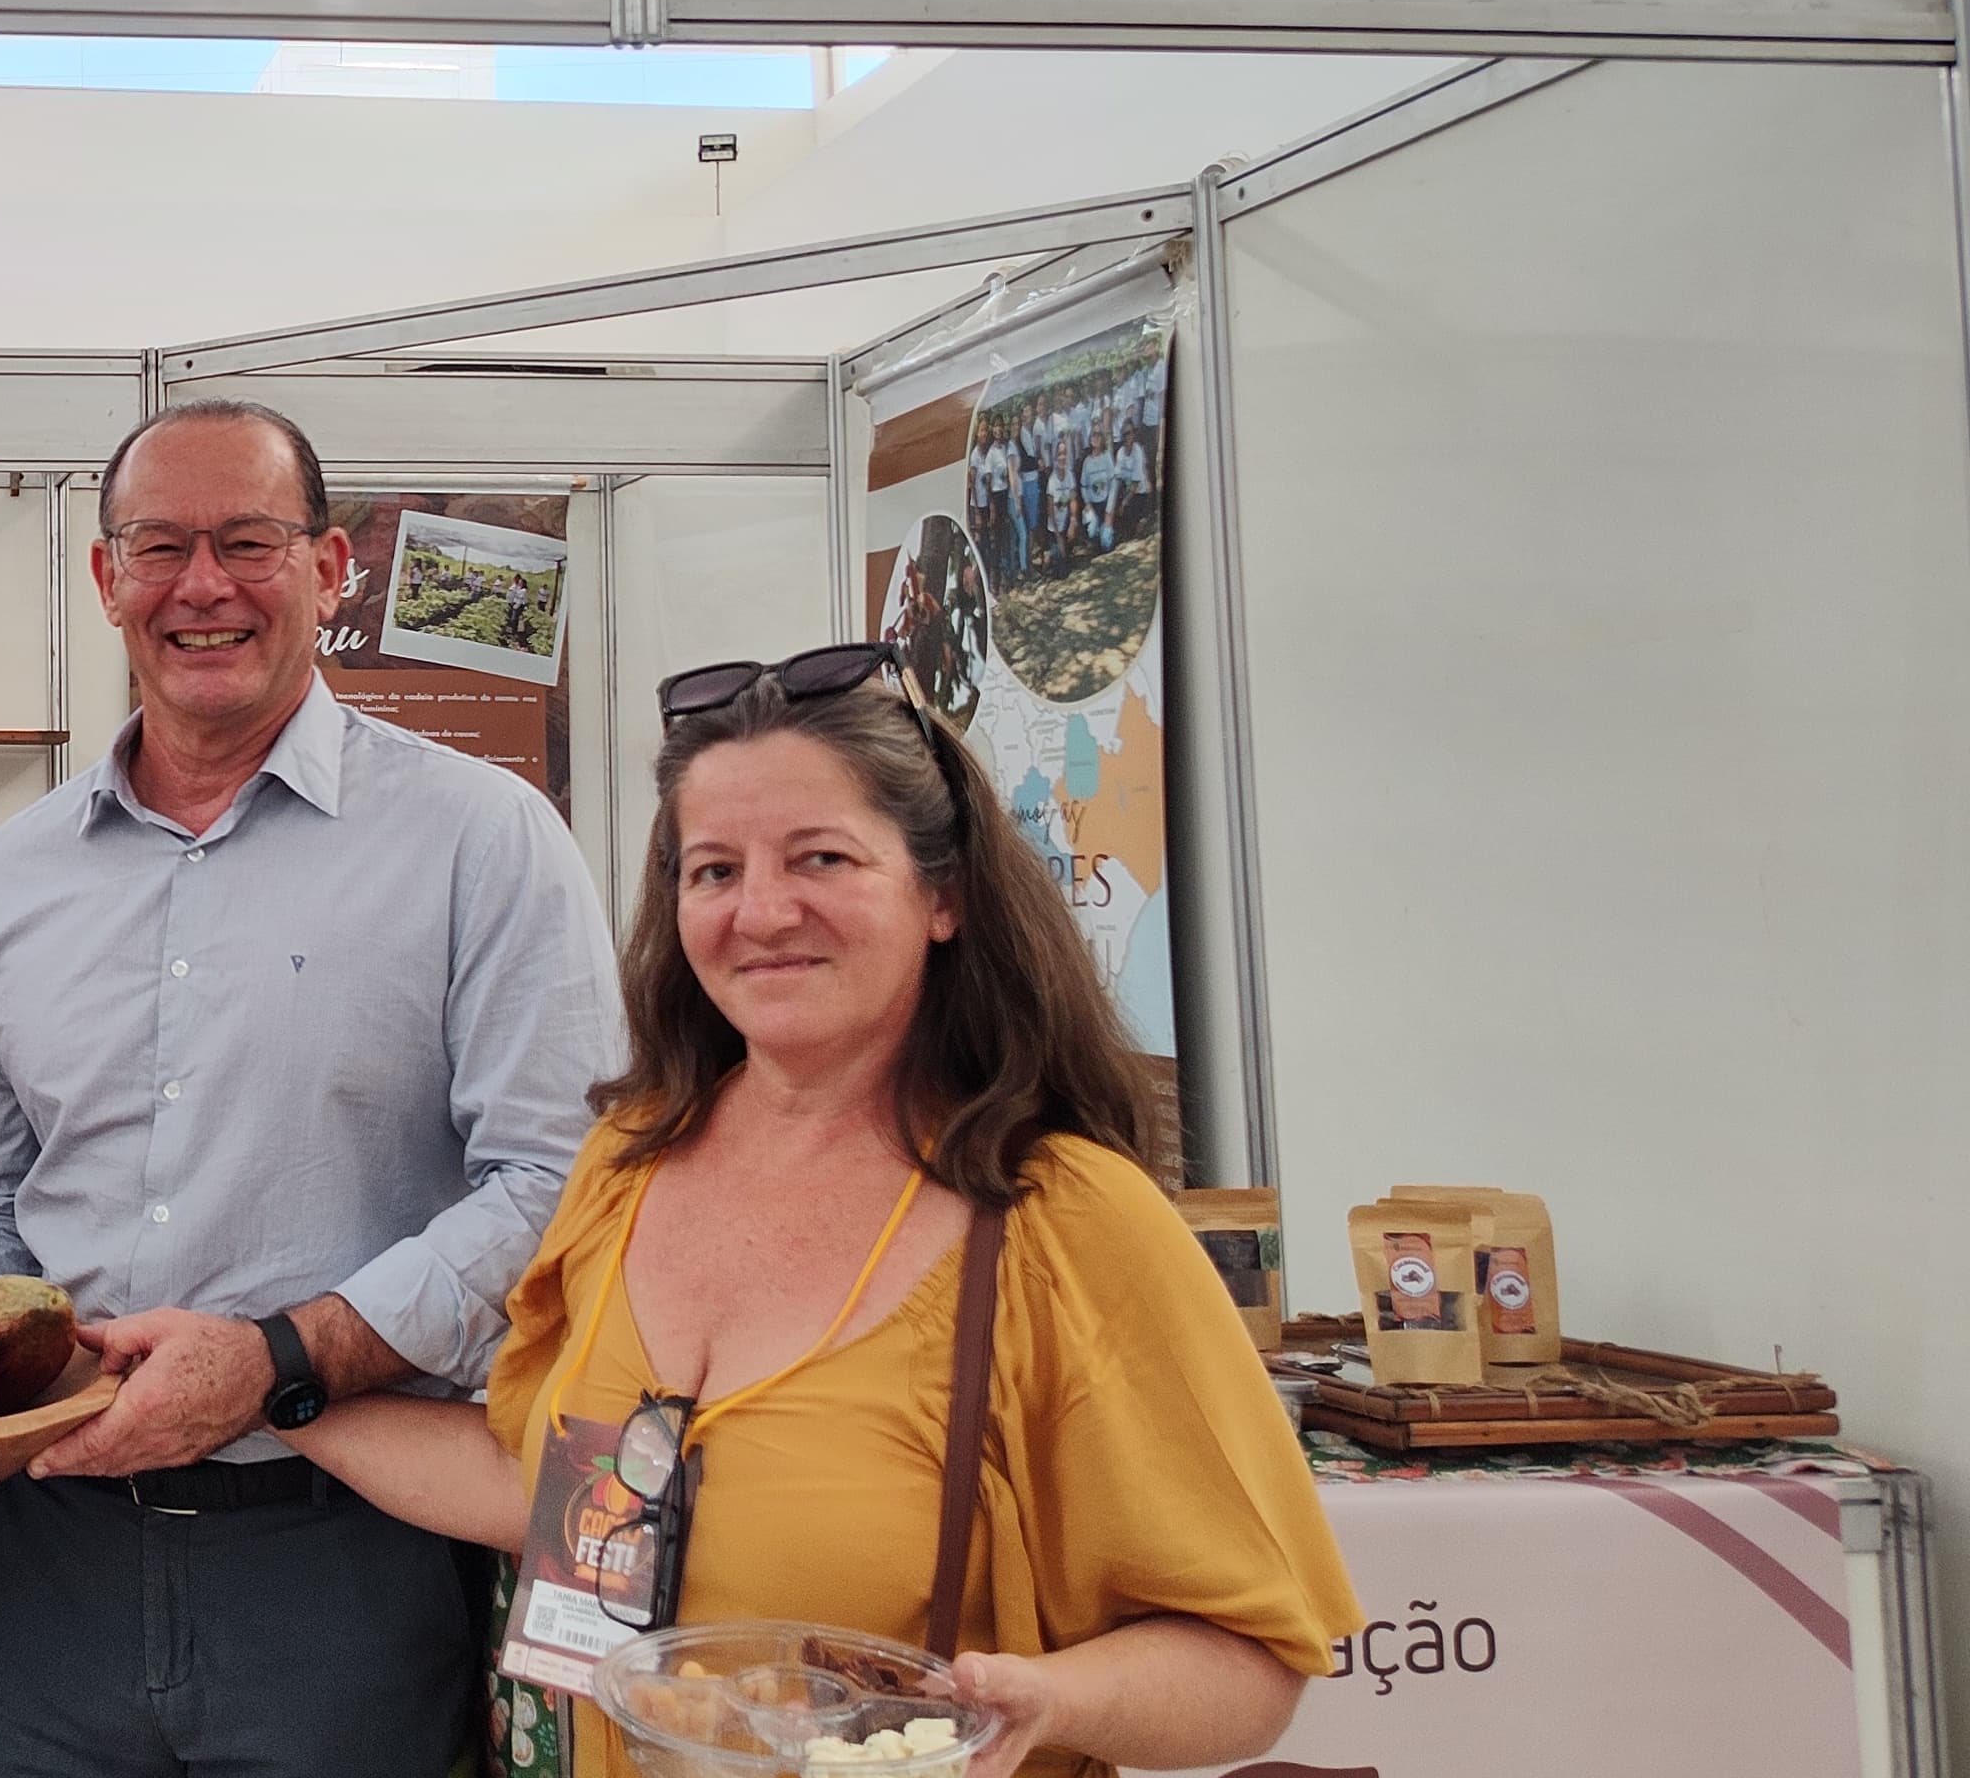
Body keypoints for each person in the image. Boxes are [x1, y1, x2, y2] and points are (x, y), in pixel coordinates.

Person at [284, 645, 1358, 1778]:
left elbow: (1250, 1665)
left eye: (822, 858)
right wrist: (263, 1393)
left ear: (943, 894)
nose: (761, 912)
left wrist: (1047, 1701)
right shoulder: (626, 1165)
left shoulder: (1063, 1222)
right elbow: (553, 1489)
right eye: (714, 871)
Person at [0, 399, 624, 1778]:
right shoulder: (14, 873)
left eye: (248, 542)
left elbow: (558, 1183)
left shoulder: (482, 840)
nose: (203, 587)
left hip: (347, 1550)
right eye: (159, 546)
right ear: (106, 576)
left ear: (331, 569)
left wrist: (280, 1361)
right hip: (42, 1555)